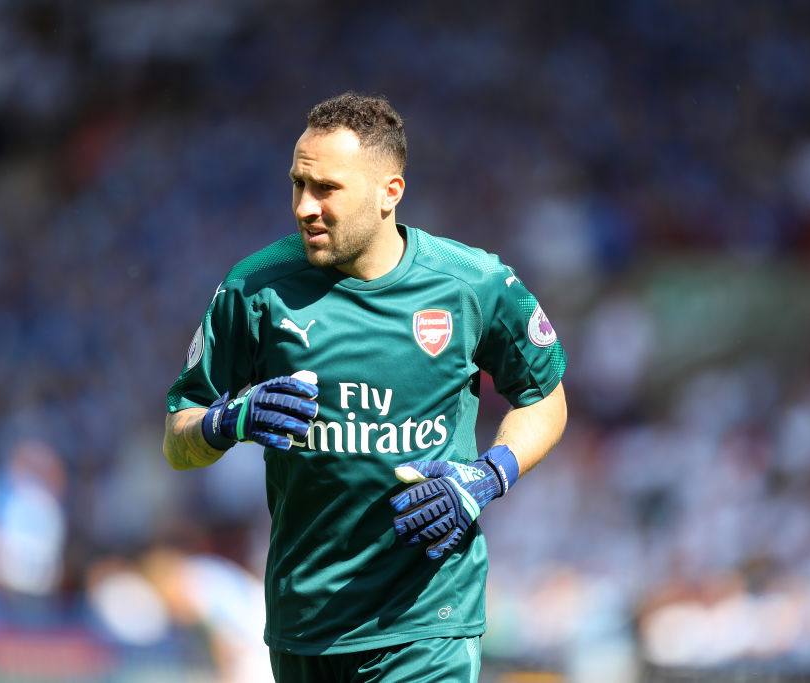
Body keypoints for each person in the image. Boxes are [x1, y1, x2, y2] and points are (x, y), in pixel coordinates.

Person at [163, 92, 568, 683]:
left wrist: (490, 475)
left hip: (429, 621)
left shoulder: (472, 284)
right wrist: (229, 421)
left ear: (389, 193)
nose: (305, 206)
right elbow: (178, 439)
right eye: (298, 185)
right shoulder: (254, 289)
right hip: (306, 623)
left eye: (326, 188)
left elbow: (545, 398)